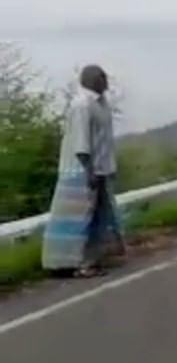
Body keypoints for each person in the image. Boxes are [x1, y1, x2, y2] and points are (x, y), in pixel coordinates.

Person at [42, 65, 124, 277]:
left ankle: (93, 259)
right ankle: (74, 263)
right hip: (82, 172)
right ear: (90, 80)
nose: (105, 80)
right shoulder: (82, 105)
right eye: (101, 77)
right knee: (80, 218)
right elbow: (81, 144)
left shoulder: (102, 104)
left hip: (101, 169)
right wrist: (89, 172)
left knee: (100, 217)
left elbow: (102, 141)